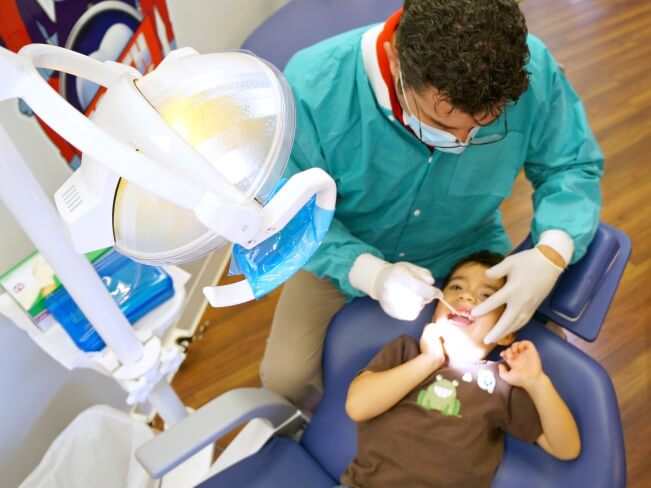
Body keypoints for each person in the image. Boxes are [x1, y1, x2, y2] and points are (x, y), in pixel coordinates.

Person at [261, 0, 603, 412]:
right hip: (340, 244)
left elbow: (571, 165)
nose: (462, 144)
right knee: (286, 376)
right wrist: (370, 273)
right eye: (442, 126)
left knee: (536, 362)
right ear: (395, 59)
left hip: (468, 242)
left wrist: (551, 254)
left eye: (483, 127)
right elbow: (291, 210)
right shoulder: (313, 88)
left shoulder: (537, 73)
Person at [340, 251, 581, 488]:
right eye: (456, 288)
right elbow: (358, 407)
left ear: (507, 332)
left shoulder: (501, 383)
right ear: (434, 309)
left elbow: (566, 448)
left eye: (487, 296)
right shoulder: (405, 352)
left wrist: (537, 382)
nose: (466, 297)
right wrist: (429, 360)